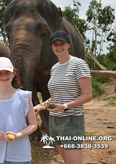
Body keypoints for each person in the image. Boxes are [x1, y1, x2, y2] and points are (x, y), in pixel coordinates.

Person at [34, 30, 93, 164]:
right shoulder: (55, 68)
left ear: (69, 45)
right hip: (54, 121)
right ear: (52, 47)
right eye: (55, 44)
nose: (59, 47)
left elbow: (88, 95)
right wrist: (41, 106)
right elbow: (55, 97)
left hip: (71, 121)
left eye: (62, 43)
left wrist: (65, 106)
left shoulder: (79, 64)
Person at [0, 57, 38, 164]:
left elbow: (33, 125)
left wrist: (18, 135)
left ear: (13, 73)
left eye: (7, 72)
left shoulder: (24, 96)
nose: (4, 76)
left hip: (21, 155)